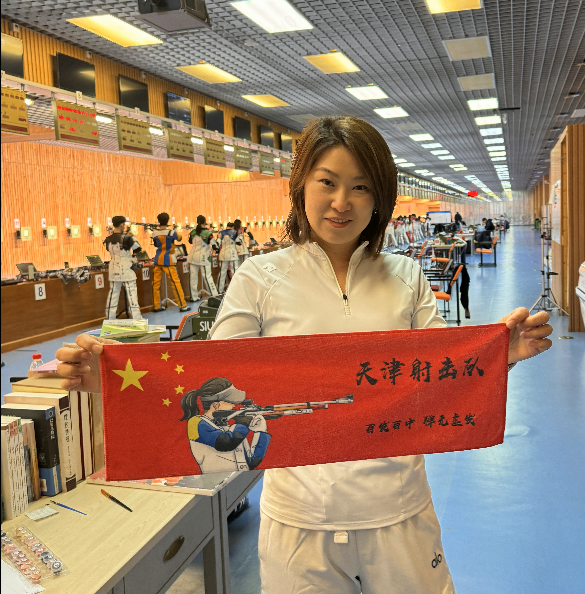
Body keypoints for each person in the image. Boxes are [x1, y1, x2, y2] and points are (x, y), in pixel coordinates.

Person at [55, 115, 553, 594]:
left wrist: (500, 355)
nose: (342, 202)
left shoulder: (405, 276)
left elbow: (442, 376)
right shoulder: (259, 277)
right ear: (301, 186)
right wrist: (114, 378)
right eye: (327, 182)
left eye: (361, 186)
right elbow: (212, 381)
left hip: (399, 509)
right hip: (299, 519)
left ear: (379, 197)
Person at [179, 377, 270, 473]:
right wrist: (243, 423)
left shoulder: (232, 430)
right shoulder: (196, 423)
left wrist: (261, 431)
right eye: (231, 402)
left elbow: (251, 462)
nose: (234, 406)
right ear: (216, 405)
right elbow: (225, 443)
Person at [103, 216, 143, 320]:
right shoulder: (127, 238)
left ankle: (110, 319)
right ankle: (137, 319)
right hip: (126, 267)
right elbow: (137, 248)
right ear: (121, 224)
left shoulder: (108, 239)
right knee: (131, 293)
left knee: (113, 294)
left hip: (113, 268)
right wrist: (133, 237)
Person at [152, 212, 190, 312]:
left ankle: (157, 306)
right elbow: (180, 238)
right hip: (168, 260)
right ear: (168, 220)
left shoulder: (154, 233)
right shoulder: (171, 232)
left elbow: (155, 244)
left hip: (157, 260)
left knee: (156, 284)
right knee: (175, 283)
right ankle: (182, 305)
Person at [187, 215, 218, 301]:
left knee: (193, 278)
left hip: (192, 257)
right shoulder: (208, 233)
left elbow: (190, 241)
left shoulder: (193, 232)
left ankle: (193, 297)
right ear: (205, 222)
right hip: (204, 257)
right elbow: (215, 246)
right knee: (207, 277)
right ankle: (214, 296)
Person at [217, 222, 240, 293]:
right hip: (232, 254)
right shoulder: (235, 232)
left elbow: (217, 243)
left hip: (223, 254)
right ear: (233, 227)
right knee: (235, 271)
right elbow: (238, 242)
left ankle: (219, 290)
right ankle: (236, 289)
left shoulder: (221, 232)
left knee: (222, 272)